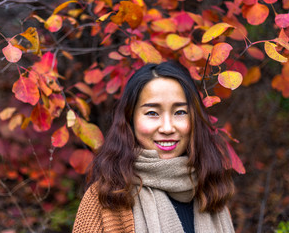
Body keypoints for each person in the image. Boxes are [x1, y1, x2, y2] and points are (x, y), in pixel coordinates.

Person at [72, 61, 235, 233]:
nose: (167, 128)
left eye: (180, 112)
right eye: (152, 113)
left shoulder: (209, 193)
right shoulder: (106, 198)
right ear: (130, 120)